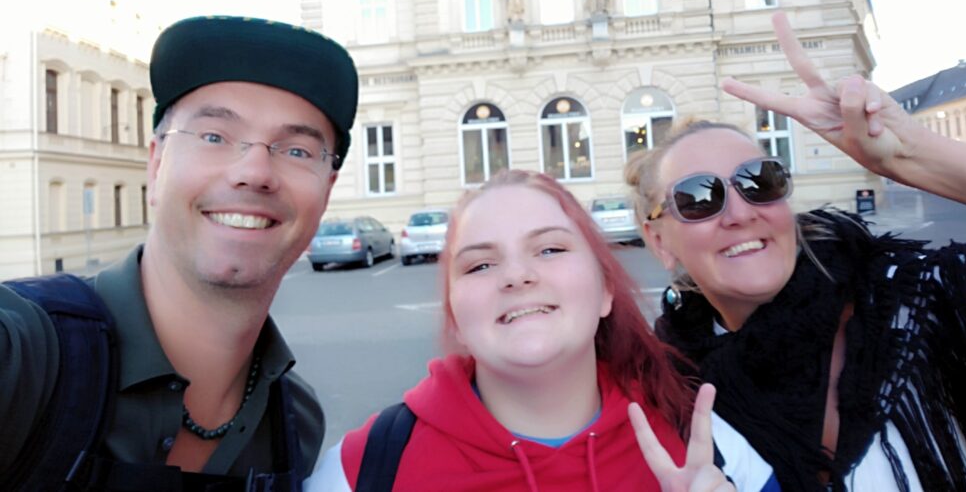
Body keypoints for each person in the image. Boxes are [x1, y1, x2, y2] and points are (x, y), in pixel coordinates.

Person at [0, 15, 359, 489]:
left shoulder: (297, 425)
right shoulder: (21, 358)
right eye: (214, 136)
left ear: (326, 193)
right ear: (156, 165)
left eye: (296, 151)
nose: (254, 171)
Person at [626, 12, 966, 490]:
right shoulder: (673, 392)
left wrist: (907, 155)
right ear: (659, 241)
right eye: (698, 198)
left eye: (759, 181)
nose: (740, 213)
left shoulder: (916, 302)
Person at [307, 170, 766, 492]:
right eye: (480, 265)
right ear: (455, 320)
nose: (517, 276)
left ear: (606, 290)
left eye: (549, 249)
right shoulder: (361, 469)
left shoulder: (705, 446)